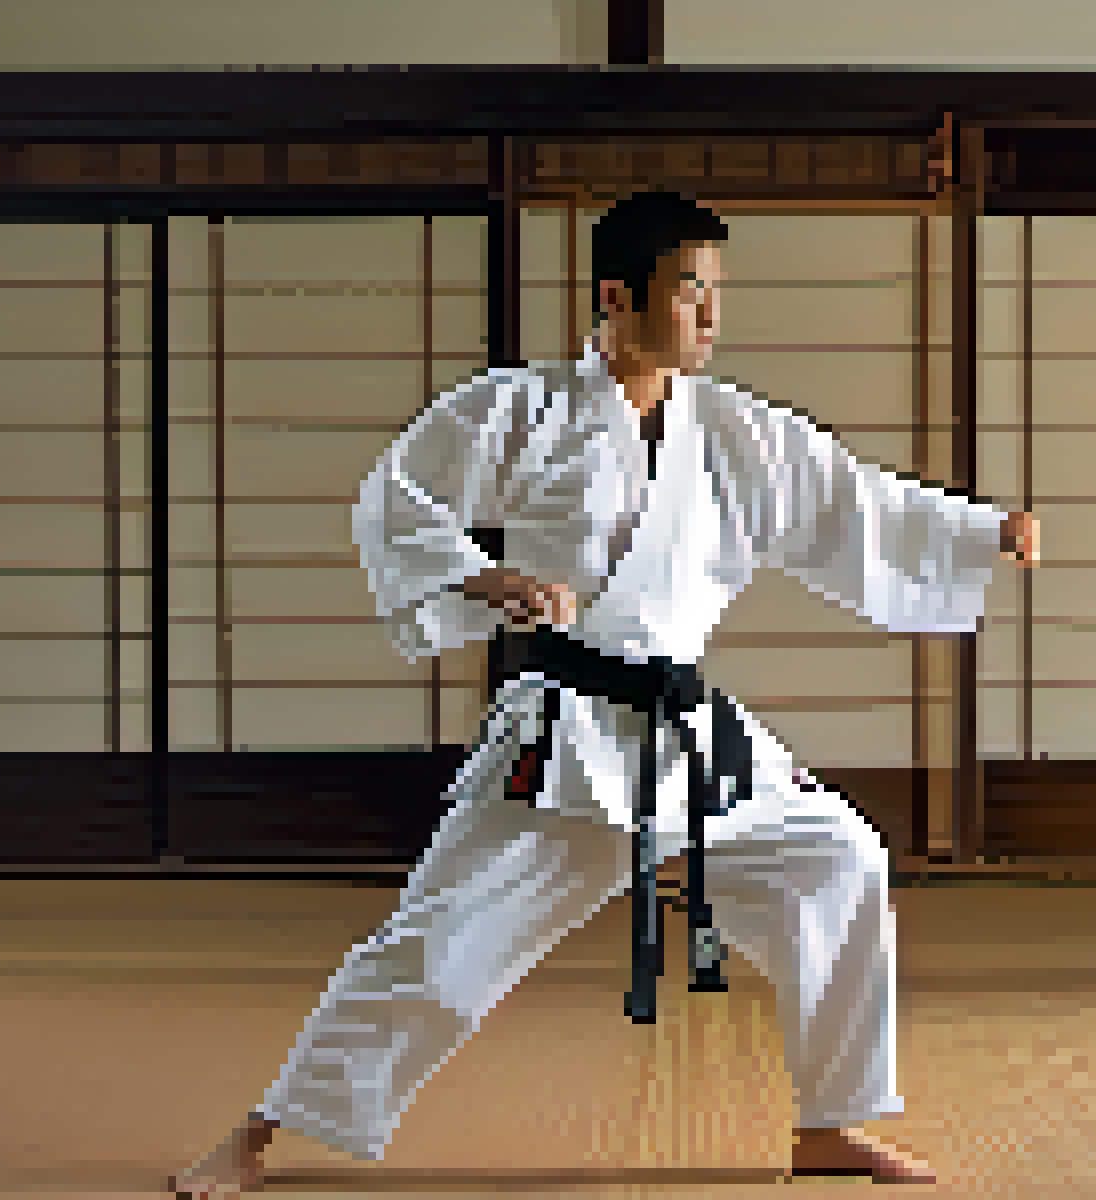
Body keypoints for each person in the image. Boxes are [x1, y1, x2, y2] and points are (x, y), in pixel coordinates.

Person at [171, 189, 1039, 1197]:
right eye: (690, 293)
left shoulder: (737, 433)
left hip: (684, 734)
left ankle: (832, 1122)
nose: (711, 318)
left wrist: (981, 534)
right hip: (565, 737)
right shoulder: (525, 409)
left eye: (718, 295)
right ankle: (262, 1132)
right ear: (617, 296)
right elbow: (397, 495)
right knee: (439, 948)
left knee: (838, 858)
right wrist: (483, 576)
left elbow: (855, 501)